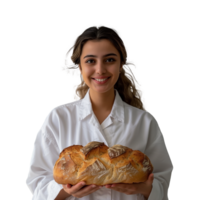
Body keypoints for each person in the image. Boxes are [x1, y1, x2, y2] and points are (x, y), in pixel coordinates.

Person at [24, 23, 175, 200]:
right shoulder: (58, 118)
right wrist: (66, 190)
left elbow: (164, 183)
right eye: (90, 61)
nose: (100, 69)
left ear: (120, 65)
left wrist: (145, 189)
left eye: (109, 60)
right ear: (80, 67)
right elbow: (36, 183)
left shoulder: (145, 122)